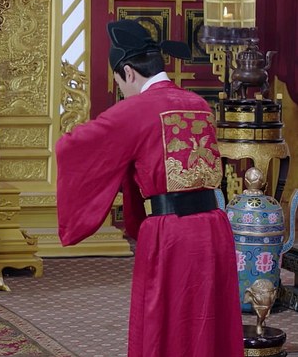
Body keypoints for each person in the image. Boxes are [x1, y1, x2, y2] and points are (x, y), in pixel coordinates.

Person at [55, 19, 243, 357]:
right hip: (215, 228)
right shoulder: (198, 104)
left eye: (119, 84)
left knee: (167, 322)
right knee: (208, 321)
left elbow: (73, 147)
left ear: (128, 72)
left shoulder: (136, 109)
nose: (121, 92)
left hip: (172, 234)